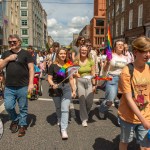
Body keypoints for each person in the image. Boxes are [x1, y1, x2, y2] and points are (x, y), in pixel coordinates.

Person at [118, 36, 150, 150]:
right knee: (125, 142)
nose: (148, 54)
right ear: (135, 52)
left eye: (149, 51)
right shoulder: (127, 71)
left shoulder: (149, 68)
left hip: (146, 114)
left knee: (146, 146)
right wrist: (142, 119)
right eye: (145, 51)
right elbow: (128, 98)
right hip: (128, 116)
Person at [0, 34, 34, 137]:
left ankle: (22, 125)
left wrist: (31, 83)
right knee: (8, 106)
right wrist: (8, 59)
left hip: (23, 85)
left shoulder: (26, 54)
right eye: (10, 42)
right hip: (9, 86)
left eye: (14, 41)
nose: (12, 43)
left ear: (19, 42)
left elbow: (31, 69)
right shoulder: (6, 53)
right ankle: (15, 119)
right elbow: (0, 67)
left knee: (23, 107)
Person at [48, 47, 76, 140]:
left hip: (67, 88)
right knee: (58, 107)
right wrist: (52, 84)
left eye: (64, 53)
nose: (63, 55)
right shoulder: (53, 66)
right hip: (56, 88)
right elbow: (49, 78)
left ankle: (64, 129)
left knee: (65, 108)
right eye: (61, 53)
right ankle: (59, 118)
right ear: (57, 55)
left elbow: (71, 79)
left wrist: (74, 90)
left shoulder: (69, 65)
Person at [99, 40, 128, 119]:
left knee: (122, 101)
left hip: (123, 80)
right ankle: (102, 109)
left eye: (122, 44)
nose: (120, 46)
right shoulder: (110, 55)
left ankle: (121, 119)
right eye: (118, 44)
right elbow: (104, 69)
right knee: (110, 100)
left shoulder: (126, 57)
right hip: (112, 78)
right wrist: (107, 62)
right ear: (115, 46)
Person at [74, 45, 96, 127]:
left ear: (87, 52)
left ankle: (85, 113)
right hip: (80, 81)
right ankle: (84, 119)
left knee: (89, 101)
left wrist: (94, 84)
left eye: (85, 50)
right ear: (80, 51)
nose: (83, 51)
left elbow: (93, 72)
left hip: (89, 81)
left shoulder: (91, 60)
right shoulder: (76, 60)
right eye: (82, 50)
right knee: (82, 100)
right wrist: (76, 73)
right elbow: (73, 70)